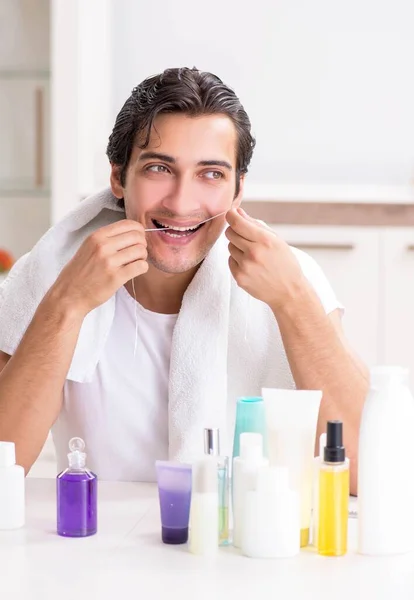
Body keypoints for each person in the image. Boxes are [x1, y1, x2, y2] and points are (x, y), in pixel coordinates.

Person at [0, 67, 368, 493]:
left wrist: (295, 303)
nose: (181, 203)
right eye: (159, 168)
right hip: (100, 541)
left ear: (237, 189)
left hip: (243, 541)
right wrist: (66, 302)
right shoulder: (54, 274)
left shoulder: (293, 278)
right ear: (119, 177)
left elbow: (367, 471)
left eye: (211, 173)